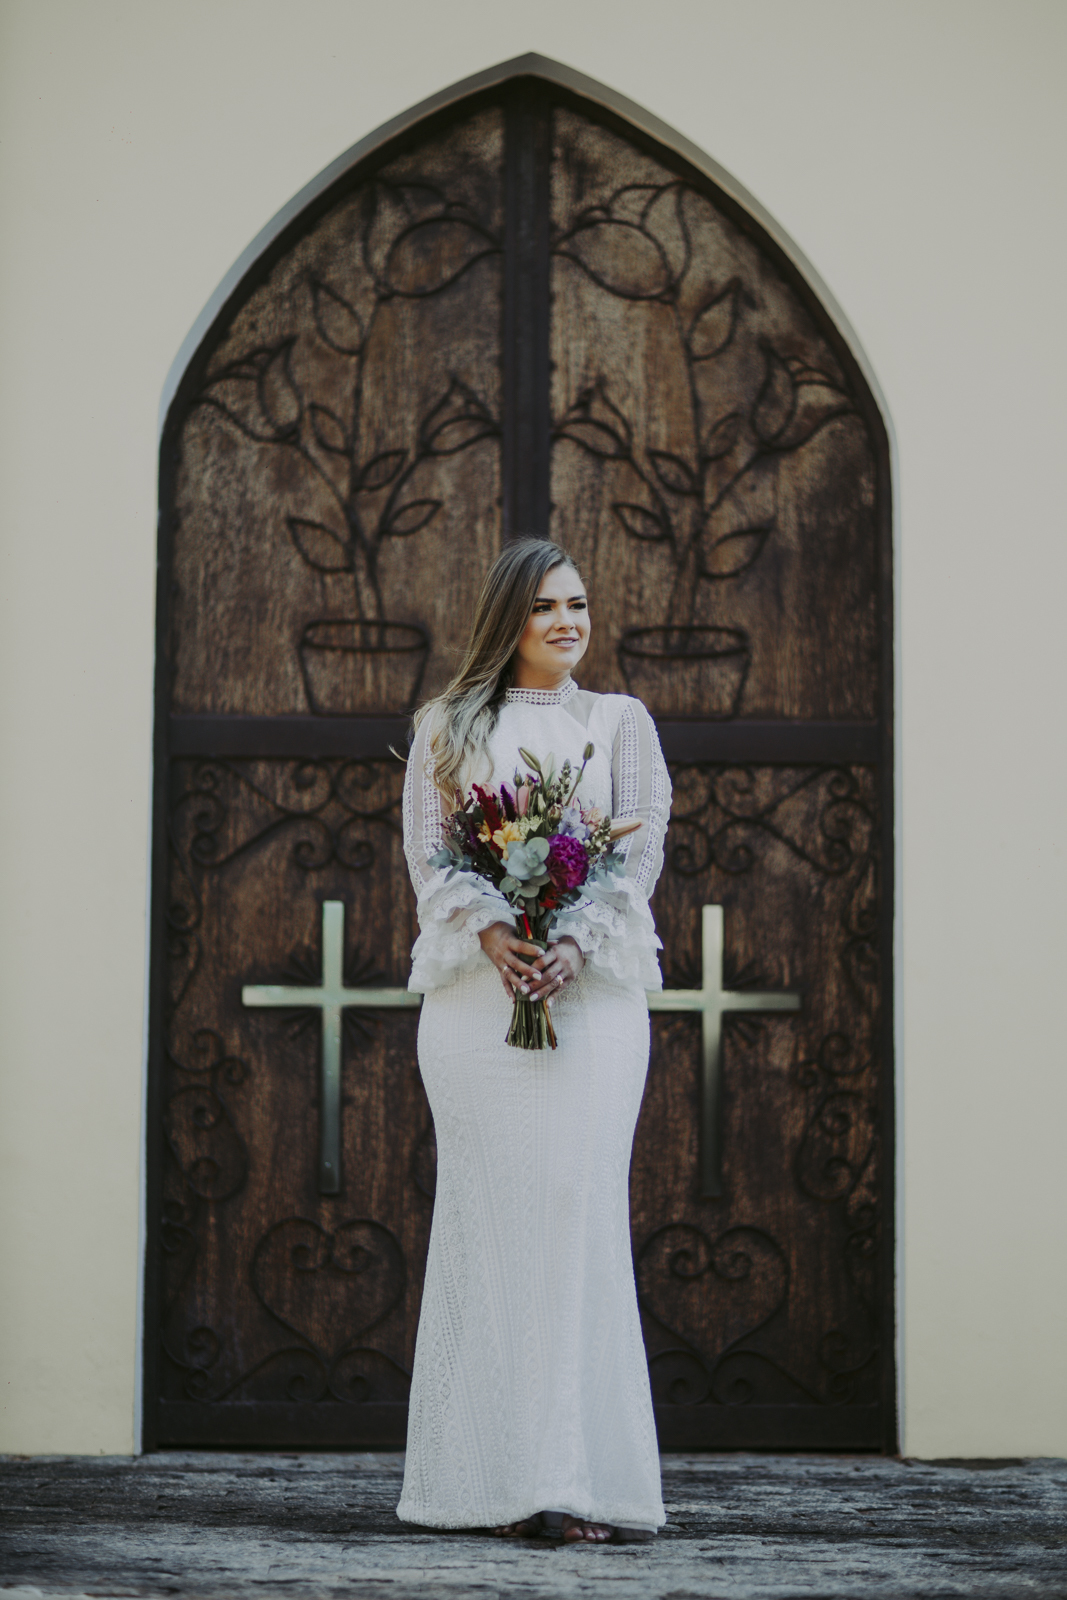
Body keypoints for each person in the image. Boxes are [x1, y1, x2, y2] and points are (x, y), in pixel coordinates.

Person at [396, 538, 671, 1543]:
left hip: (591, 1002)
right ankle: (478, 1479)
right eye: (545, 605)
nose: (566, 620)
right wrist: (499, 931)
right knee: (488, 1217)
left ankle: (570, 1477)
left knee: (575, 1211)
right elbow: (433, 860)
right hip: (478, 1002)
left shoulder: (619, 724)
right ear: (507, 618)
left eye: (577, 604)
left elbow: (635, 847)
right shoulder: (446, 726)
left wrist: (570, 943)